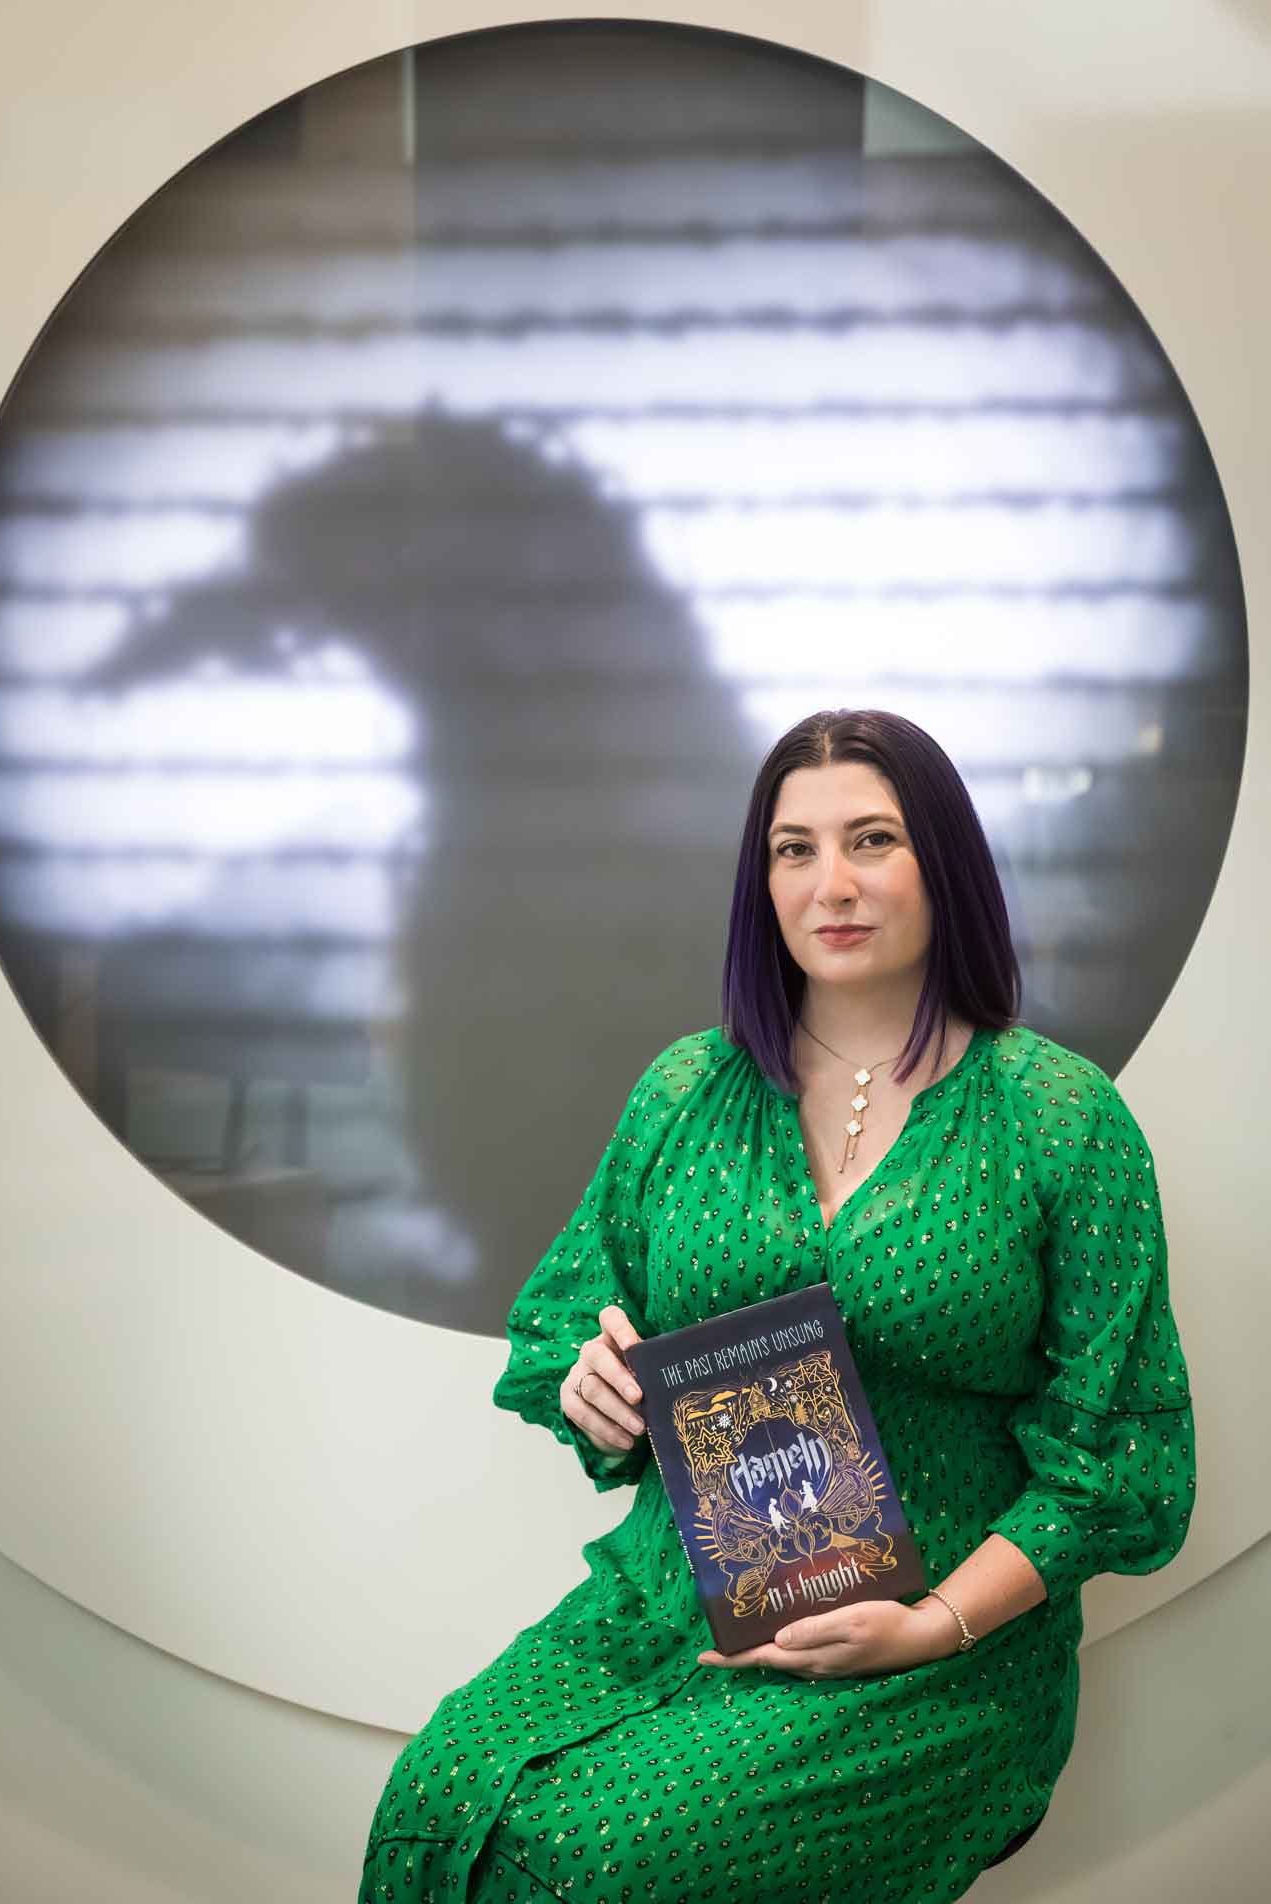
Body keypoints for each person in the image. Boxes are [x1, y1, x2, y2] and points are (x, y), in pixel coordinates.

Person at [356, 707, 1197, 1904]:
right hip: (663, 1603)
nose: (830, 882)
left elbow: (1118, 1461)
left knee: (586, 1862)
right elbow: (565, 1315)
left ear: (944, 863)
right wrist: (589, 1383)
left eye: (872, 840)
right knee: (433, 1798)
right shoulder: (684, 1088)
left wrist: (932, 1624)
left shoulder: (1060, 1117)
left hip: (928, 1653)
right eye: (794, 849)